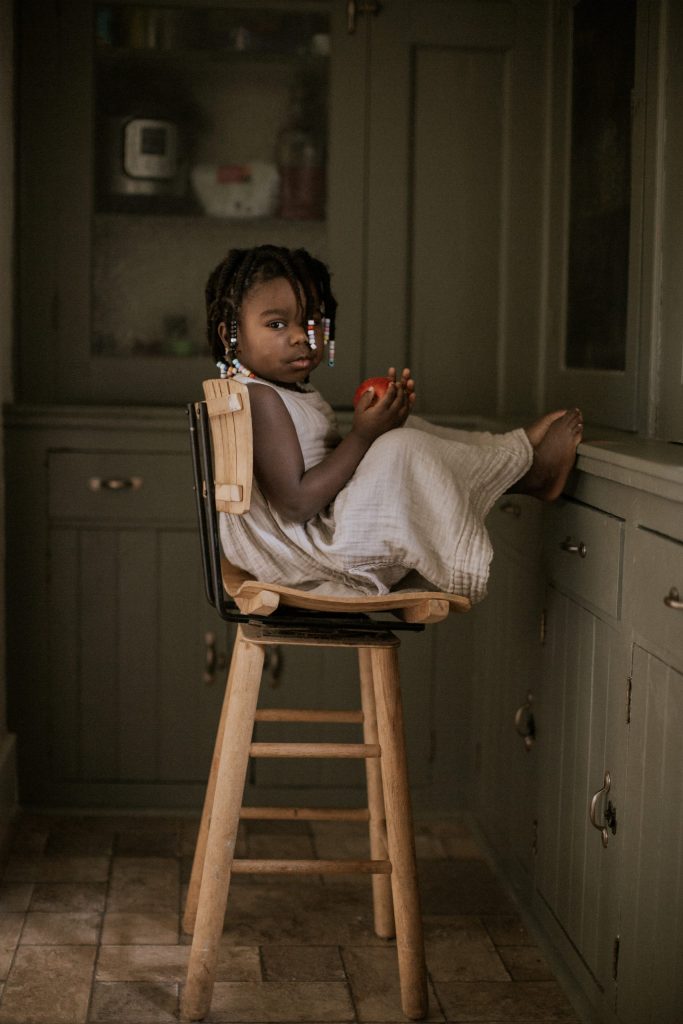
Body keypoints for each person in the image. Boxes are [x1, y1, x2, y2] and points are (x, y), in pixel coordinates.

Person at [205, 244, 582, 603]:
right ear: (230, 335)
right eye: (276, 324)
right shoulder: (260, 398)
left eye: (313, 321)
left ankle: (514, 455)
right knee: (400, 448)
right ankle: (523, 469)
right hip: (313, 553)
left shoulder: (276, 392)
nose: (301, 336)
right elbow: (296, 504)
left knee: (403, 433)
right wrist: (364, 434)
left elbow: (319, 473)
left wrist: (378, 427)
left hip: (314, 539)